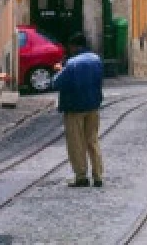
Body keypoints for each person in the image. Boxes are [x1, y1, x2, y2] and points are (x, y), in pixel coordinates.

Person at [51, 33, 104, 187]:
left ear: (75, 46)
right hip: (93, 105)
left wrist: (59, 70)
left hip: (74, 107)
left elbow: (56, 83)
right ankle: (98, 175)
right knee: (92, 141)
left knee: (76, 143)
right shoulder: (96, 59)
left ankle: (81, 176)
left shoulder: (72, 63)